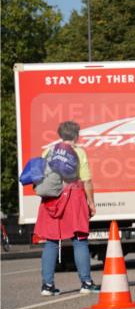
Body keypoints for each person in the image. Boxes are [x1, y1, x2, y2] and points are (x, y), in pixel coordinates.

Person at [34, 121, 99, 296]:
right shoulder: (79, 152)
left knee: (51, 242)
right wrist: (91, 203)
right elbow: (86, 180)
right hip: (74, 197)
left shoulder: (48, 151)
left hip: (51, 199)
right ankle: (86, 282)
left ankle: (47, 286)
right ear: (76, 135)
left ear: (60, 135)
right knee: (80, 240)